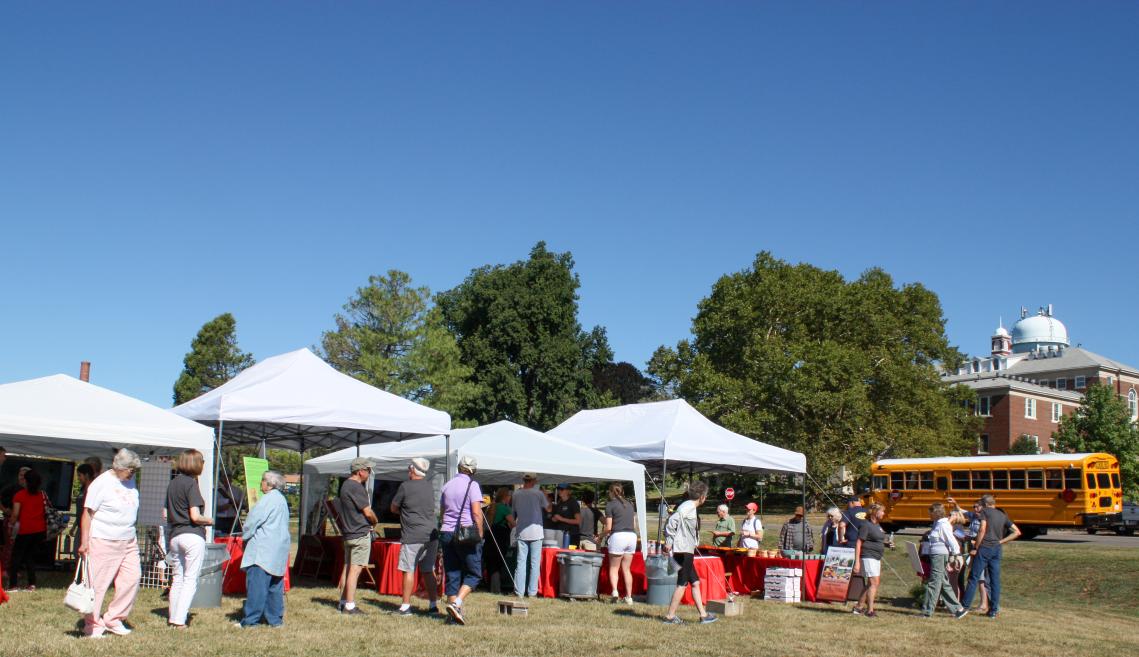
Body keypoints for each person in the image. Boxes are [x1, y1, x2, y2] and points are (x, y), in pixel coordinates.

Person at [79, 448, 142, 639]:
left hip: (129, 539)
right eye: (130, 469)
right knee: (97, 584)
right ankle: (92, 624)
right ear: (118, 466)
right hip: (103, 539)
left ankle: (114, 618)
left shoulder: (130, 480)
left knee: (132, 578)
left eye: (134, 470)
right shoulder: (101, 483)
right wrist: (84, 542)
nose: (132, 473)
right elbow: (87, 514)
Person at [165, 449, 214, 628]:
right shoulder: (191, 484)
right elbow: (195, 516)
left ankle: (172, 616)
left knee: (177, 578)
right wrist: (209, 520)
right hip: (192, 535)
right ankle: (179, 620)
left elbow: (165, 513)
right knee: (190, 579)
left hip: (175, 536)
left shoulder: (173, 483)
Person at [237, 471, 291, 628]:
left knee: (257, 587)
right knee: (275, 586)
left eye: (263, 480)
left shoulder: (267, 500)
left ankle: (251, 621)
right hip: (278, 548)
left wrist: (245, 536)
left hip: (264, 549)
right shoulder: (281, 500)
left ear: (270, 484)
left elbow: (252, 521)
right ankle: (275, 619)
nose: (261, 483)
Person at [389, 457, 439, 616]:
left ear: (412, 470)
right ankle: (433, 605)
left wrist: (403, 512)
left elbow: (393, 508)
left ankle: (405, 607)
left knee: (408, 569)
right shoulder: (430, 487)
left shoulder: (405, 486)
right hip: (431, 535)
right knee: (428, 570)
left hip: (413, 534)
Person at [662, 481, 717, 625]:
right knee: (682, 583)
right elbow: (672, 521)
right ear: (702, 497)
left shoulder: (688, 506)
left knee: (695, 582)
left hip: (686, 549)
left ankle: (704, 615)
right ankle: (670, 616)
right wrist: (668, 541)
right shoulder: (688, 508)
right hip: (684, 550)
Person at [439, 455, 483, 625]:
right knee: (474, 573)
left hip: (447, 532)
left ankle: (452, 617)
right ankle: (457, 604)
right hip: (465, 533)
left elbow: (442, 513)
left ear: (459, 467)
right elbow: (477, 513)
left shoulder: (447, 485)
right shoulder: (473, 485)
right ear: (473, 470)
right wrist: (480, 533)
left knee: (452, 573)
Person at [961, 494, 1021, 619]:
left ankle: (964, 607)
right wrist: (1000, 542)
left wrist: (976, 548)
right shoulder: (1002, 515)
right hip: (996, 550)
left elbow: (982, 529)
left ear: (984, 504)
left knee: (973, 577)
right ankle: (993, 610)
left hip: (984, 548)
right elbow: (1017, 532)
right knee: (995, 580)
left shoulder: (985, 512)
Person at [337, 457, 378, 615]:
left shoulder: (345, 485)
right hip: (360, 533)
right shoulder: (356, 487)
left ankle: (342, 601)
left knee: (348, 568)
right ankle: (350, 605)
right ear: (360, 471)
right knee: (355, 570)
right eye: (368, 470)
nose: (369, 473)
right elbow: (367, 512)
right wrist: (375, 521)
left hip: (348, 533)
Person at [919, 502, 969, 619]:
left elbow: (952, 541)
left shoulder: (943, 525)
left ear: (936, 513)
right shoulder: (937, 524)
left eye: (930, 513)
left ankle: (927, 611)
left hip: (940, 556)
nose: (929, 515)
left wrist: (956, 556)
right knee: (943, 583)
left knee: (934, 583)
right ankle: (958, 610)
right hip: (936, 555)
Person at [510, 473, 548, 598]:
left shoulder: (516, 494)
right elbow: (548, 509)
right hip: (536, 532)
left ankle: (519, 592)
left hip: (522, 531)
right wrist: (546, 495)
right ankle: (532, 592)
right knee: (534, 563)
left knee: (521, 563)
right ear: (534, 481)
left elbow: (513, 511)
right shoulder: (538, 494)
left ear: (524, 480)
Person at [9, 469, 47, 591]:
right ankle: (32, 584)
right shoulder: (42, 494)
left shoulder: (19, 495)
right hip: (39, 530)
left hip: (25, 530)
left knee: (16, 557)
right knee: (30, 557)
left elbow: (15, 514)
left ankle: (13, 585)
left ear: (25, 481)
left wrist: (10, 525)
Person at [603, 483, 638, 604]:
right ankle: (629, 597)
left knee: (614, 567)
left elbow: (608, 527)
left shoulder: (610, 505)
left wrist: (600, 537)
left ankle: (615, 591)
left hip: (618, 536)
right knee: (626, 569)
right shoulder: (630, 504)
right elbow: (634, 525)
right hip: (631, 536)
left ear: (611, 492)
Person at [852, 503, 887, 618]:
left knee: (871, 583)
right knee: (873, 583)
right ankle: (870, 610)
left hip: (877, 557)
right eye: (882, 511)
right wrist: (857, 562)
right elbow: (858, 543)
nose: (883, 513)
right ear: (874, 512)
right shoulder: (865, 525)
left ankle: (858, 607)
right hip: (868, 556)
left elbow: (877, 539)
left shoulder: (877, 525)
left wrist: (886, 543)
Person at [483, 486, 513, 593]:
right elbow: (513, 523)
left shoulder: (492, 506)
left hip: (490, 536)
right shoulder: (504, 508)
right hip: (500, 536)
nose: (510, 498)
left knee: (491, 563)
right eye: (509, 495)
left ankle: (490, 587)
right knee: (498, 563)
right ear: (505, 496)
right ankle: (496, 589)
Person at [550, 484, 581, 548]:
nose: (559, 491)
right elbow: (557, 517)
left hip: (571, 535)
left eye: (562, 489)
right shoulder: (559, 502)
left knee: (568, 555)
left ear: (568, 491)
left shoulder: (573, 503)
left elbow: (578, 521)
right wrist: (555, 519)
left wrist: (561, 519)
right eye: (558, 489)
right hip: (560, 534)